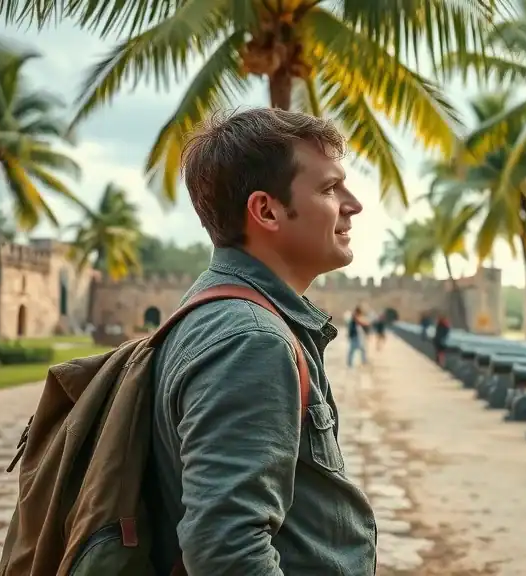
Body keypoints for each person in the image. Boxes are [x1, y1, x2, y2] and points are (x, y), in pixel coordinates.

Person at [148, 108, 377, 575]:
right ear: (266, 210)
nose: (353, 204)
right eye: (330, 188)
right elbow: (227, 552)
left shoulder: (219, 308)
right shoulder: (250, 339)